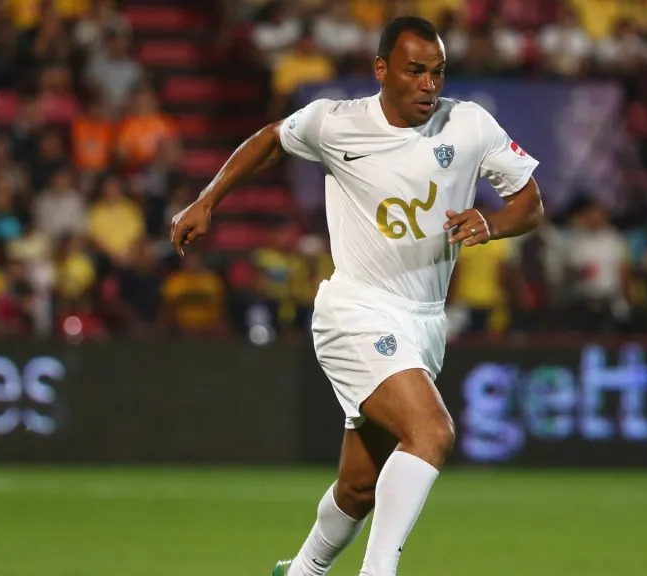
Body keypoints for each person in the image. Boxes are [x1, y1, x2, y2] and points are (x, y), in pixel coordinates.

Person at [169, 16, 543, 576]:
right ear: (382, 70)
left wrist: (491, 224)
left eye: (437, 73)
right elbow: (273, 138)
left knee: (360, 486)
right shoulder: (336, 123)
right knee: (431, 432)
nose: (428, 85)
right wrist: (208, 199)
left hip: (423, 322)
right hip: (356, 309)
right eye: (415, 71)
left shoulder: (468, 126)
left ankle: (302, 571)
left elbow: (529, 202)